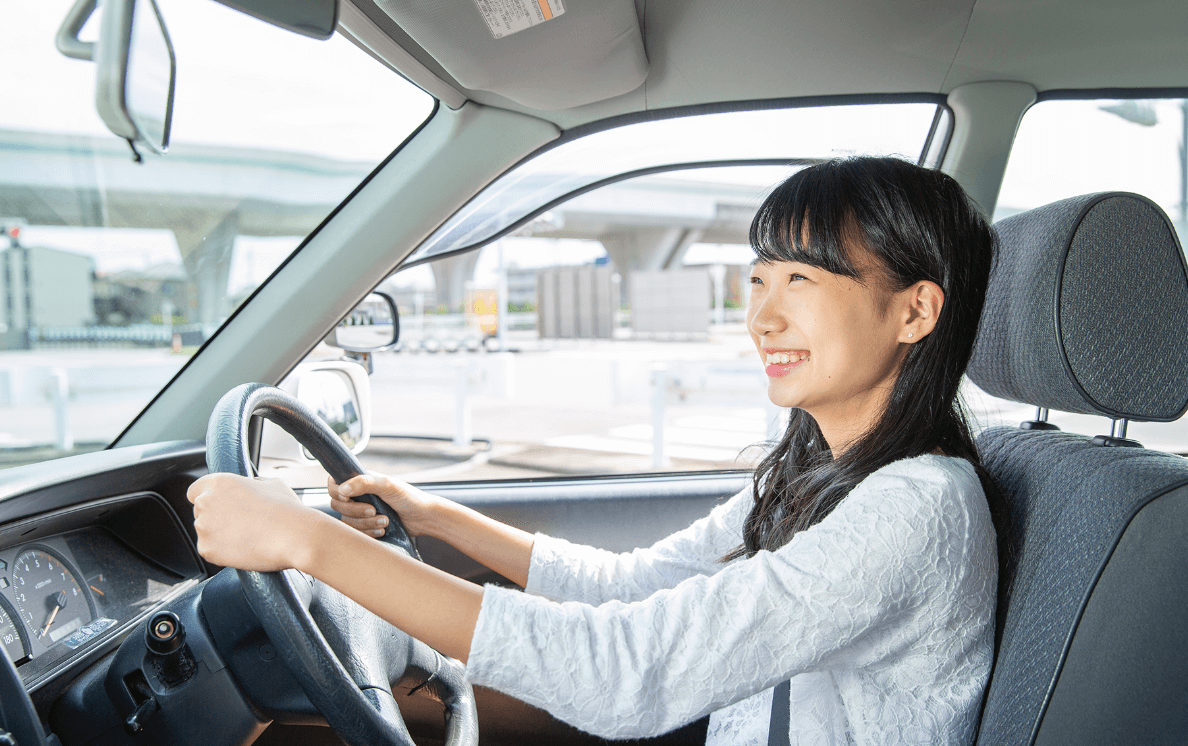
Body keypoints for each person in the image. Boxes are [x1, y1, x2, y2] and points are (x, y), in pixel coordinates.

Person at [187, 156, 1005, 745]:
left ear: (914, 312)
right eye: (759, 278)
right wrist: (439, 520)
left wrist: (307, 541)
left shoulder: (918, 509)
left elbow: (628, 672)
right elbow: (635, 586)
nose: (762, 316)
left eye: (804, 281)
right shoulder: (820, 474)